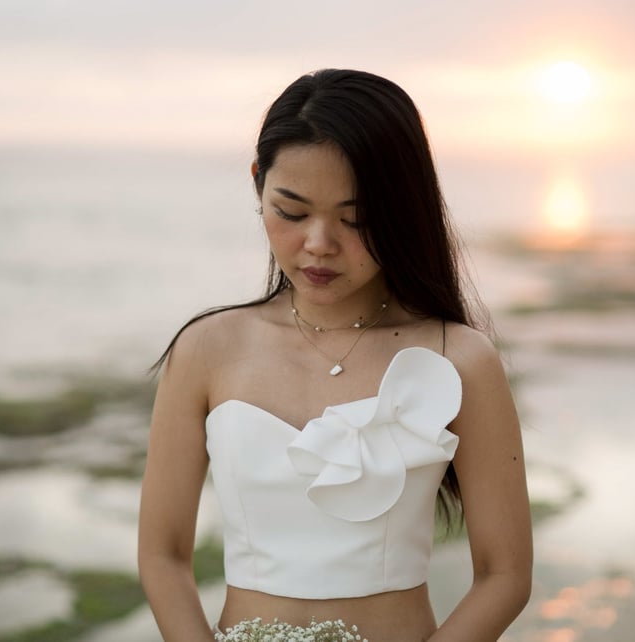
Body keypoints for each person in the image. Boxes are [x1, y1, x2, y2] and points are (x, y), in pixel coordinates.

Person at [138, 68, 532, 642]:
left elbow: (505, 576)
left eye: (357, 219)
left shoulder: (460, 360)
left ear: (404, 209)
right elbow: (163, 555)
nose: (319, 243)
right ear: (258, 185)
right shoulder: (206, 348)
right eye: (292, 212)